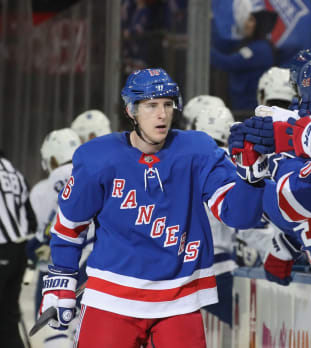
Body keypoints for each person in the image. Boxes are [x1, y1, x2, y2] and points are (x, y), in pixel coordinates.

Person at [39, 68, 266, 348]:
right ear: (131, 110)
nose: (162, 114)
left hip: (179, 299)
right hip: (111, 298)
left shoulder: (198, 151)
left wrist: (252, 176)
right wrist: (61, 275)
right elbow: (70, 225)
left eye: (167, 105)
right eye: (151, 105)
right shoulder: (98, 157)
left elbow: (239, 215)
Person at [27, 128, 82, 348]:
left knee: (55, 331)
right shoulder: (95, 173)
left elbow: (39, 235)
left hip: (58, 270)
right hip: (95, 267)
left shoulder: (46, 186)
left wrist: (32, 247)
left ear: (51, 158)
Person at [211, 1, 277, 110]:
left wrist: (202, 48)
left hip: (248, 109)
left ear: (260, 25)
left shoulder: (259, 49)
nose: (246, 23)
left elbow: (228, 63)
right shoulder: (254, 45)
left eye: (251, 20)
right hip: (244, 105)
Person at [0, 153, 37, 348]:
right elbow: (31, 219)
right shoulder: (14, 172)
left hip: (2, 246)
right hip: (19, 250)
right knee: (8, 317)